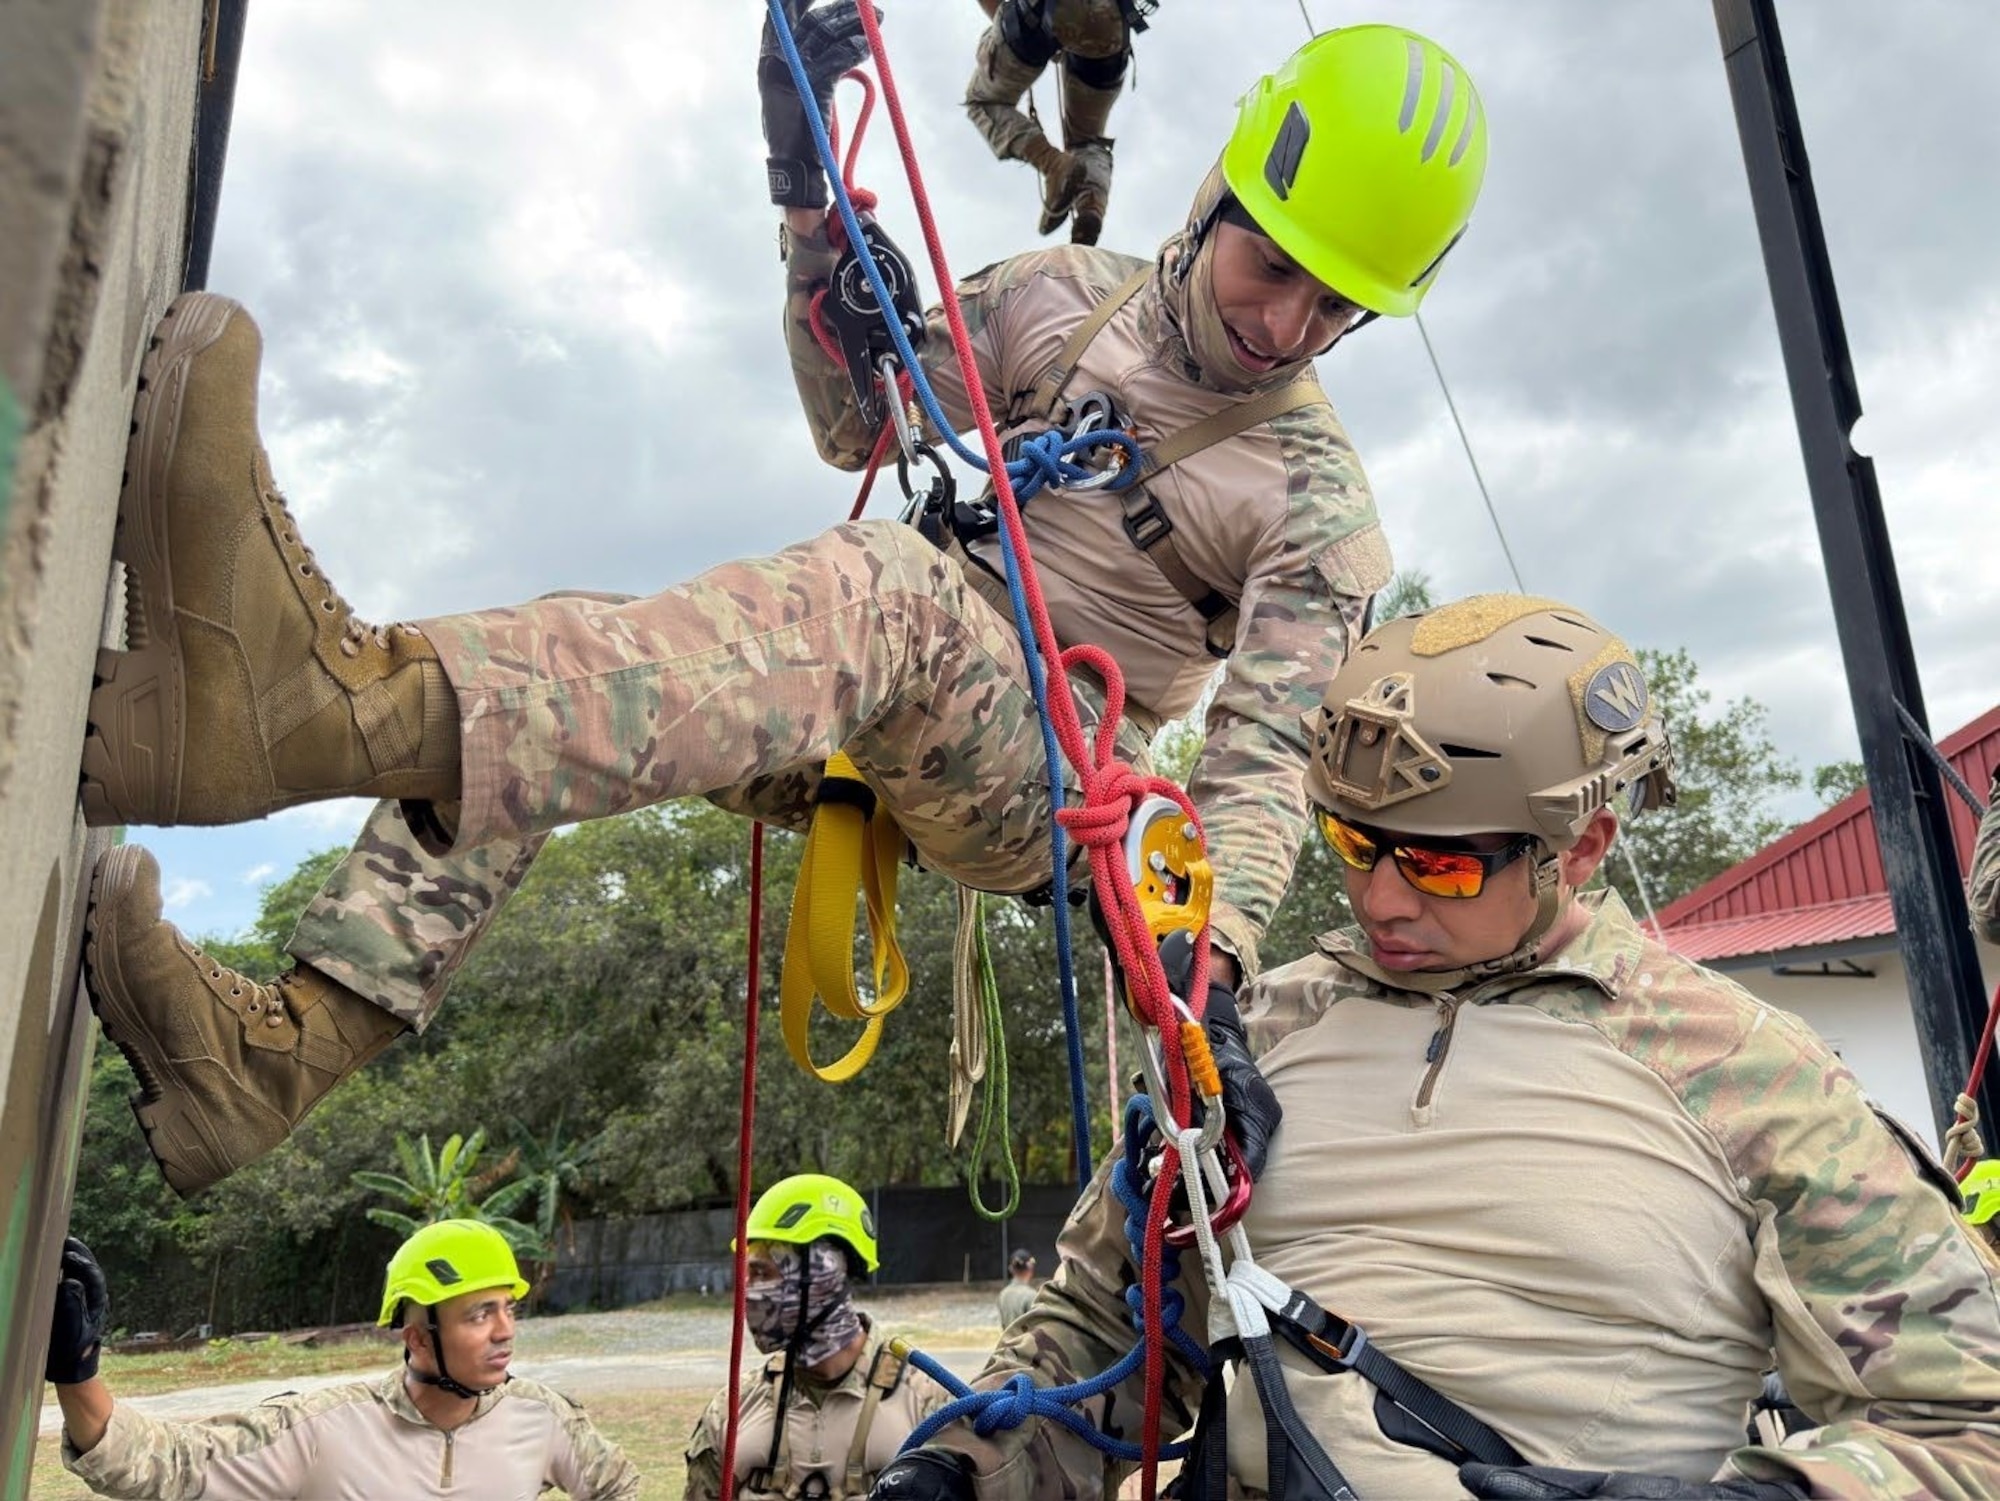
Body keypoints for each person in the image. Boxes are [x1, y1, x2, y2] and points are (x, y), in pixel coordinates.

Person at [79, 19, 1488, 1196]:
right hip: (885, 698)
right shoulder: (1058, 299)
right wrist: (811, 220)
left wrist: (1215, 966)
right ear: (1221, 194)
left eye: (1336, 310)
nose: (1289, 325)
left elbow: (1261, 768)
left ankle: (296, 711)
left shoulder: (1316, 509)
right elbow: (857, 423)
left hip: (1045, 785)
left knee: (897, 597)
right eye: (1277, 268)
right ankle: (272, 1060)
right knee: (580, 667)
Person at [865, 596, 2000, 1500]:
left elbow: (1966, 1421)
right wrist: (959, 1467)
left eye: (1441, 862)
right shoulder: (1251, 1037)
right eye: (1352, 842)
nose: (1379, 898)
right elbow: (1100, 1338)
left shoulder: (1746, 1069)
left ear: (1584, 841)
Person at [47, 1221, 641, 1499]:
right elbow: (169, 1466)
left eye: (508, 1309)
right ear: (418, 1338)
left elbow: (619, 1488)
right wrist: (80, 1372)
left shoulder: (543, 1420)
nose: (505, 1332)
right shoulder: (322, 1429)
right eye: (479, 1314)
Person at [685, 1173, 952, 1501]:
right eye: (746, 1275)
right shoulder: (730, 1412)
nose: (747, 1293)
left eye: (762, 1273)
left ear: (827, 1273)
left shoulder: (929, 1405)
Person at [961, 0, 1149, 245]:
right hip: (1111, 25)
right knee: (1087, 138)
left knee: (983, 101)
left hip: (1045, 12)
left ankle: (1054, 166)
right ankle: (1090, 207)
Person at [996, 1249, 1037, 1326]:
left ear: (1011, 1269)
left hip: (1008, 1338)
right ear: (1031, 1268)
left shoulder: (1003, 1294)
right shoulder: (1031, 1295)